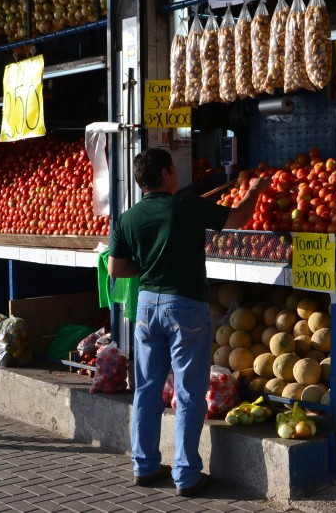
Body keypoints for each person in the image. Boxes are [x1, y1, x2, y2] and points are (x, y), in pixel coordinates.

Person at [108, 149, 270, 497]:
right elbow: (239, 218)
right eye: (174, 169)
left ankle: (144, 466)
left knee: (146, 389)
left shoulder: (127, 218)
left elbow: (116, 269)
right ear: (167, 173)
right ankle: (186, 475)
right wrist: (255, 190)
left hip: (147, 306)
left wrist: (149, 267)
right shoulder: (187, 207)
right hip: (185, 306)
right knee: (189, 391)